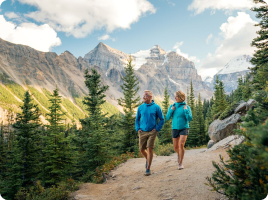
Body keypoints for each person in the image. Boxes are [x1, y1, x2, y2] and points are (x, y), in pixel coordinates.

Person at [135, 90, 165, 176]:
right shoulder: (140, 107)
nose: (143, 97)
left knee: (149, 148)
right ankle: (148, 158)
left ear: (150, 97)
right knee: (141, 149)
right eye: (143, 96)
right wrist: (138, 129)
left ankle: (148, 168)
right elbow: (137, 119)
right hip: (142, 131)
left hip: (152, 131)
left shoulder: (156, 107)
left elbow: (162, 119)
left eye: (145, 96)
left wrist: (157, 129)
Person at [166, 91, 192, 170]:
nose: (175, 98)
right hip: (175, 128)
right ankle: (179, 154)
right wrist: (171, 110)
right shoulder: (172, 106)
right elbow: (167, 118)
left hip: (184, 128)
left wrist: (185, 110)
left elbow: (189, 118)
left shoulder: (186, 107)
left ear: (180, 97)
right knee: (175, 147)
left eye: (176, 96)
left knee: (181, 145)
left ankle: (180, 163)